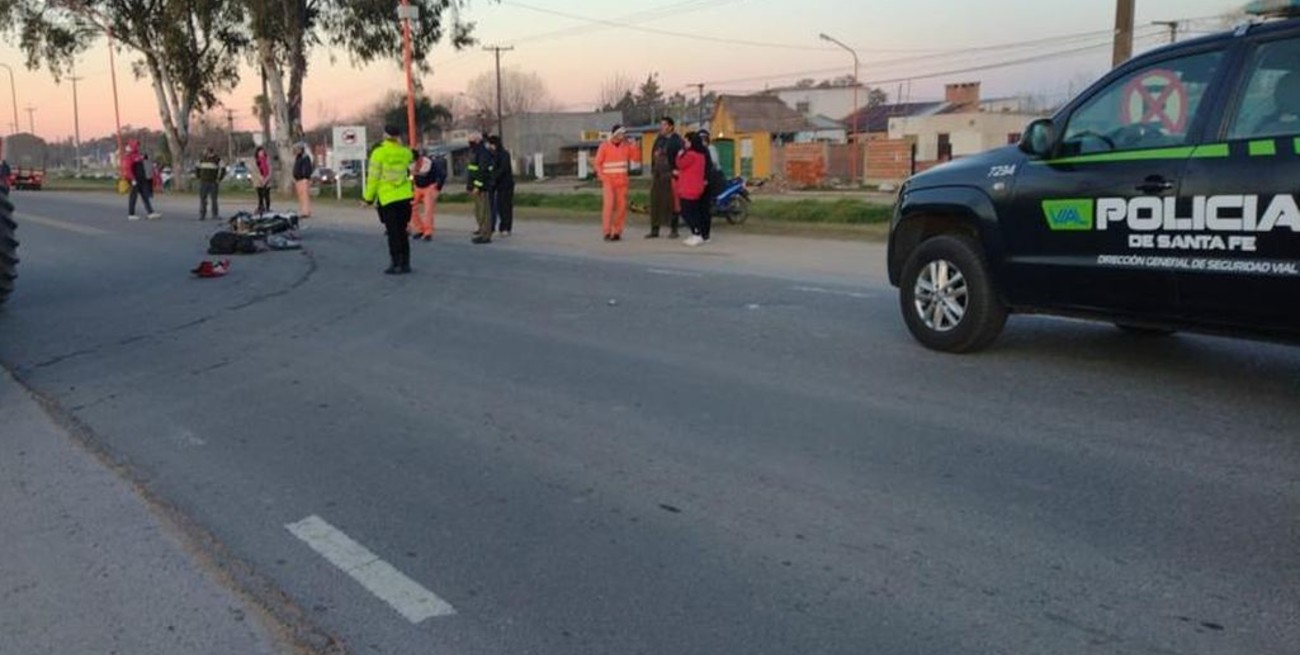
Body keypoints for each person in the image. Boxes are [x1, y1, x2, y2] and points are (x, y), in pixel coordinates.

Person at [363, 125, 416, 274]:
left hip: (388, 198)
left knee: (392, 232)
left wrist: (368, 198)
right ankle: (406, 263)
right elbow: (413, 166)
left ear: (385, 136)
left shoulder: (378, 153)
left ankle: (396, 263)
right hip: (405, 197)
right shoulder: (405, 153)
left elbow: (373, 178)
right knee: (402, 230)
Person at [593, 124, 639, 241]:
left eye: (623, 134)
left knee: (621, 207)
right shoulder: (604, 146)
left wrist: (634, 146)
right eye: (620, 134)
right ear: (614, 134)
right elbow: (597, 163)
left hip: (622, 181)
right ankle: (607, 231)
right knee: (608, 206)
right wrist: (602, 177)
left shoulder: (626, 146)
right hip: (608, 181)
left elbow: (636, 158)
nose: (622, 136)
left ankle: (617, 232)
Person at [648, 116, 683, 239]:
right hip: (658, 176)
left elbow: (681, 158)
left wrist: (676, 171)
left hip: (670, 176)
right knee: (655, 202)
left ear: (671, 126)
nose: (661, 127)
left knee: (672, 204)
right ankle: (654, 230)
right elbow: (653, 155)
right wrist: (653, 170)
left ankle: (674, 229)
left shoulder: (677, 141)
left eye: (664, 125)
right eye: (661, 125)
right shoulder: (659, 139)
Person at [676, 131, 710, 246]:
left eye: (686, 141)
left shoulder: (690, 155)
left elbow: (680, 164)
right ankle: (697, 233)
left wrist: (680, 154)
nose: (684, 143)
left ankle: (697, 233)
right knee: (694, 211)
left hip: (688, 187)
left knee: (686, 212)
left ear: (691, 142)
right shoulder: (701, 155)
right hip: (696, 187)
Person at [409, 148, 446, 241]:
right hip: (417, 187)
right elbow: (411, 175)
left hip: (429, 187)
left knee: (428, 211)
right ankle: (420, 229)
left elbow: (441, 174)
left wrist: (438, 187)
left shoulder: (428, 163)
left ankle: (428, 232)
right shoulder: (410, 163)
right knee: (411, 208)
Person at [466, 132, 493, 244]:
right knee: (478, 211)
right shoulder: (475, 152)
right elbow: (472, 170)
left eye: (471, 141)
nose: (469, 143)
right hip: (475, 186)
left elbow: (482, 171)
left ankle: (485, 234)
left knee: (484, 211)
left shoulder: (483, 152)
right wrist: (469, 186)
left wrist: (477, 185)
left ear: (477, 140)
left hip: (482, 187)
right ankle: (481, 230)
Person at [487, 135, 516, 237]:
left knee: (506, 207)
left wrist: (493, 177)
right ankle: (501, 226)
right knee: (500, 206)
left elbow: (503, 169)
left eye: (491, 144)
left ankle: (506, 227)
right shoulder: (493, 155)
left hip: (506, 184)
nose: (490, 147)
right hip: (498, 185)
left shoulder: (504, 154)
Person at [124, 141, 160, 220]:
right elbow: (128, 169)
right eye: (137, 145)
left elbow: (146, 165)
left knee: (145, 196)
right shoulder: (129, 157)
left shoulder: (139, 156)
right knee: (133, 196)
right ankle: (131, 214)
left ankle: (150, 212)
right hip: (135, 180)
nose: (138, 147)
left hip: (142, 180)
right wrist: (132, 179)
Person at [196, 146, 224, 221]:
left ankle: (215, 214)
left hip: (213, 181)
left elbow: (223, 169)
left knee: (214, 199)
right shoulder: (202, 159)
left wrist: (219, 179)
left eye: (207, 152)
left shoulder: (217, 159)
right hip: (203, 181)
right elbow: (197, 168)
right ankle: (202, 214)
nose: (206, 153)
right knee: (203, 199)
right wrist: (198, 177)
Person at [292, 142, 313, 219]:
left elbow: (307, 169)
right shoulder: (298, 157)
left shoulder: (305, 157)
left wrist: (305, 177)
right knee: (301, 196)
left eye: (297, 149)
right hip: (298, 179)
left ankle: (306, 212)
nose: (296, 150)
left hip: (303, 179)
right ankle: (303, 211)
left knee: (305, 196)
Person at [252, 146, 272, 214]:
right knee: (260, 196)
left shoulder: (267, 159)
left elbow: (270, 169)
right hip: (258, 181)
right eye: (260, 152)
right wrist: (261, 178)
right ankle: (261, 207)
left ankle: (267, 208)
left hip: (267, 180)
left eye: (262, 152)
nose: (261, 153)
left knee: (267, 195)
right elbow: (255, 171)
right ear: (257, 153)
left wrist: (266, 179)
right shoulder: (255, 160)